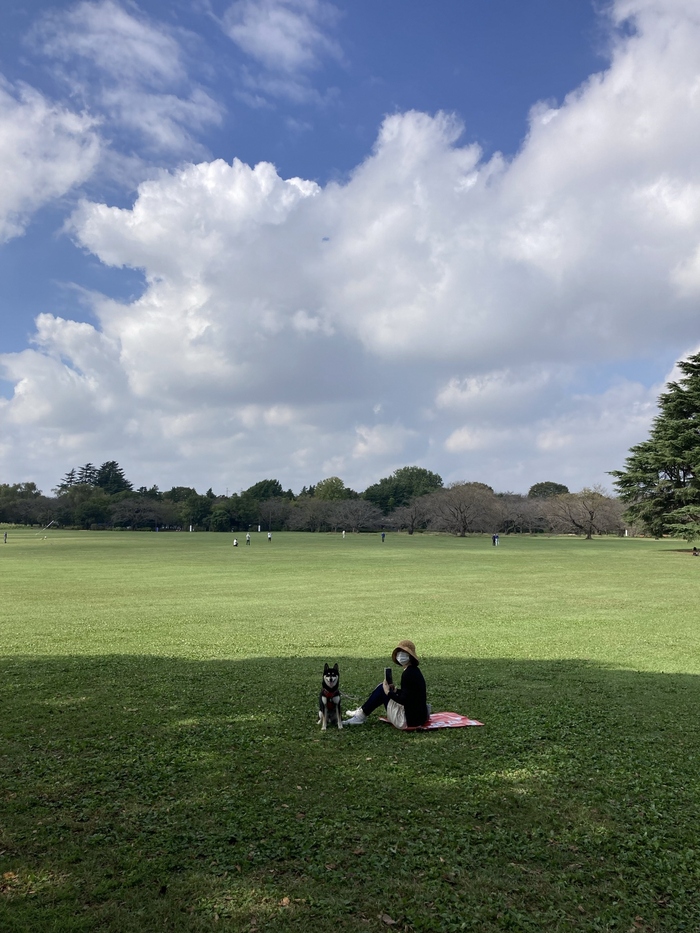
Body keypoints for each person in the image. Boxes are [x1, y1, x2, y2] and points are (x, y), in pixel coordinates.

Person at [345, 640, 428, 729]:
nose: (400, 655)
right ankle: (362, 712)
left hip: (409, 721)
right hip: (420, 717)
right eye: (399, 652)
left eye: (404, 652)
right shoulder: (414, 671)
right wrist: (396, 691)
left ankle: (361, 715)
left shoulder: (407, 674)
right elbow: (411, 695)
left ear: (410, 656)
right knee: (383, 687)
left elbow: (404, 700)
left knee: (382, 688)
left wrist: (388, 692)